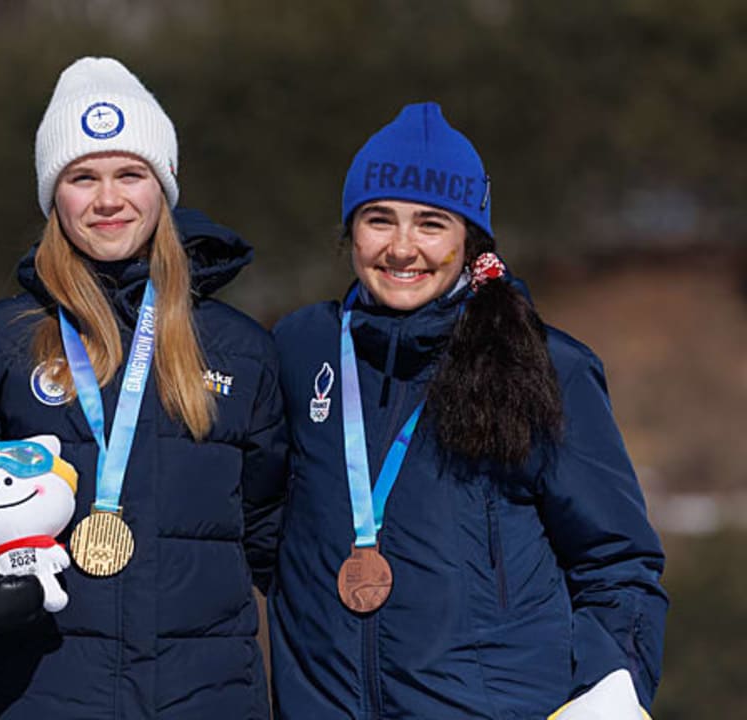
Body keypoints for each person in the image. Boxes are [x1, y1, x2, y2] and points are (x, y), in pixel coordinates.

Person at [269, 102, 667, 719]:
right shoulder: (301, 349)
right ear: (350, 230)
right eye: (379, 220)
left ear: (469, 238)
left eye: (431, 224)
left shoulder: (544, 365)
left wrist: (607, 691)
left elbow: (616, 561)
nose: (402, 248)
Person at [0, 57, 287, 719]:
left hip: (206, 697)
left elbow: (275, 537)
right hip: (40, 694)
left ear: (164, 185)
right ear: (53, 197)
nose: (108, 200)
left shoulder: (242, 350)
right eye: (82, 178)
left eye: (131, 173)